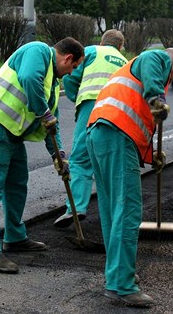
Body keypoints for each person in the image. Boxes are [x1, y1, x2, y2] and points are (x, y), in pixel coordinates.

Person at [0, 38, 85, 274]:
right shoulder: (38, 51)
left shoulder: (51, 83)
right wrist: (43, 113)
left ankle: (14, 236)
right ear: (68, 58)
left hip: (11, 133)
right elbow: (29, 79)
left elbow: (52, 124)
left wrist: (59, 156)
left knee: (18, 183)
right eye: (73, 68)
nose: (70, 73)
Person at [86, 48, 173, 307]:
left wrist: (152, 156)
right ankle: (122, 285)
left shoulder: (131, 72)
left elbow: (136, 117)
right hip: (117, 135)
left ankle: (117, 274)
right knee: (128, 211)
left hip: (101, 135)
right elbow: (154, 57)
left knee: (111, 211)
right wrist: (156, 97)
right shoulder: (159, 59)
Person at [53, 29, 128, 228]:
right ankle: (114, 214)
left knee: (80, 157)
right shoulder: (124, 61)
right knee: (109, 162)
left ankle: (76, 208)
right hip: (118, 111)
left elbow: (70, 76)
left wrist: (76, 96)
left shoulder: (92, 51)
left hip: (92, 104)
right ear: (120, 46)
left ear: (103, 42)